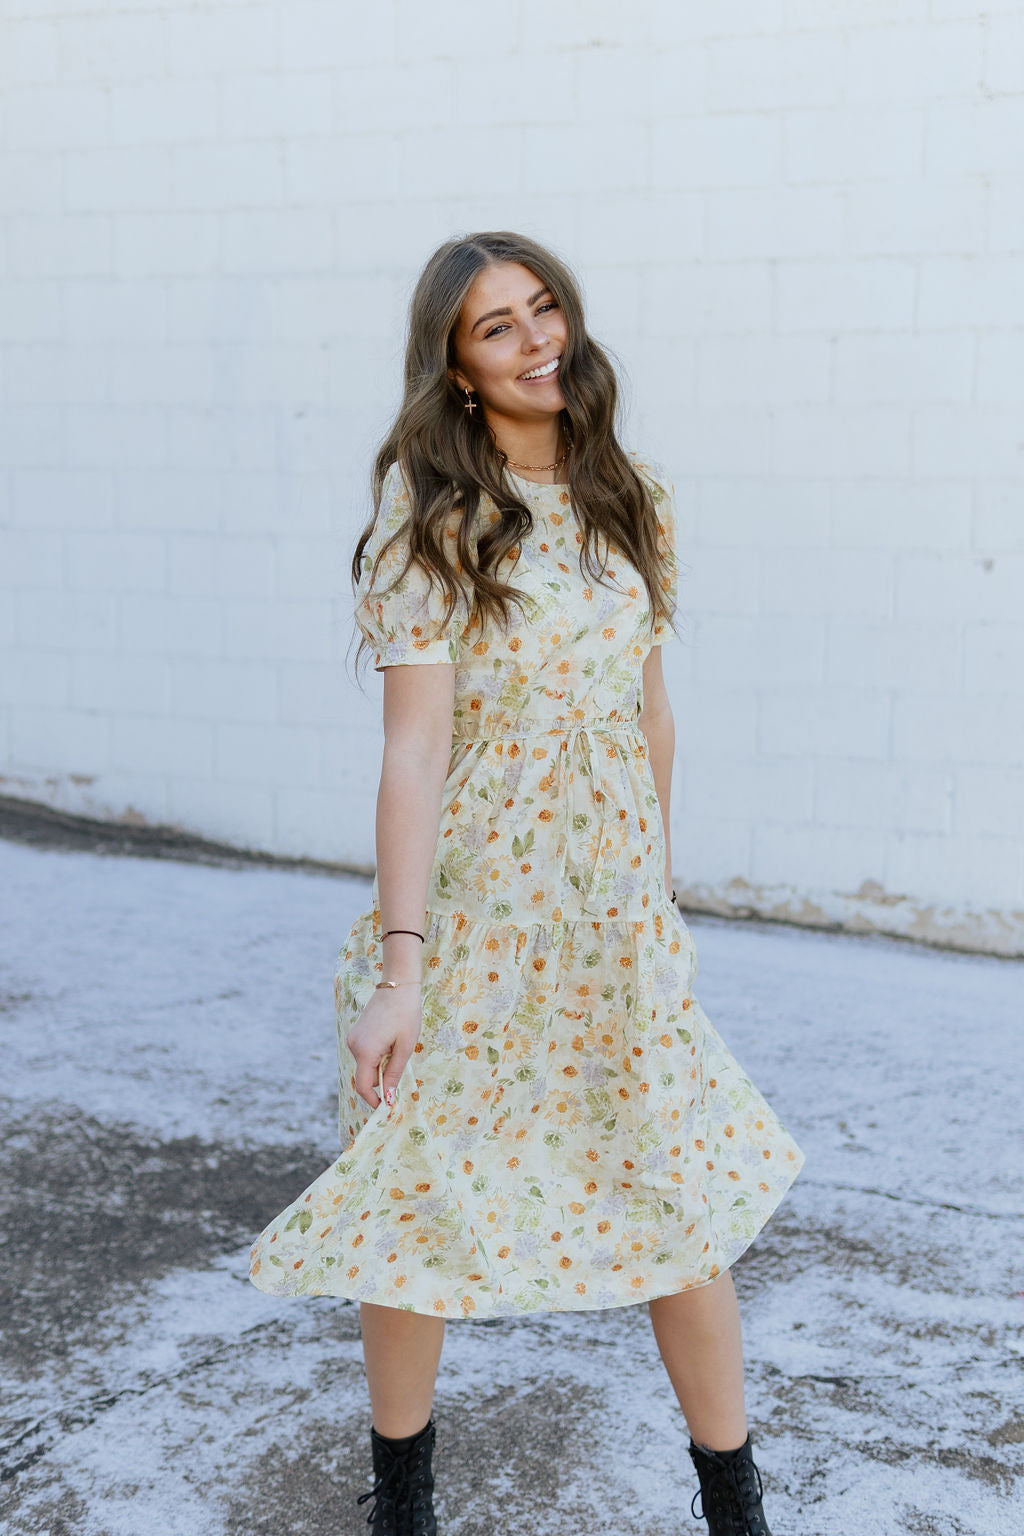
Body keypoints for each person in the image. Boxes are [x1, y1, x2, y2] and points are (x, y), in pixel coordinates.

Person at [249, 230, 804, 1536]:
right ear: (452, 369)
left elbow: (651, 715)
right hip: (477, 918)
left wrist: (655, 899)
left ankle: (737, 1506)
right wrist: (402, 969)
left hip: (612, 928)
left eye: (544, 308)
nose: (538, 338)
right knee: (412, 1196)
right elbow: (414, 750)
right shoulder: (433, 519)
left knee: (676, 1203)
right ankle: (404, 1502)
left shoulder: (633, 496)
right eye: (497, 326)